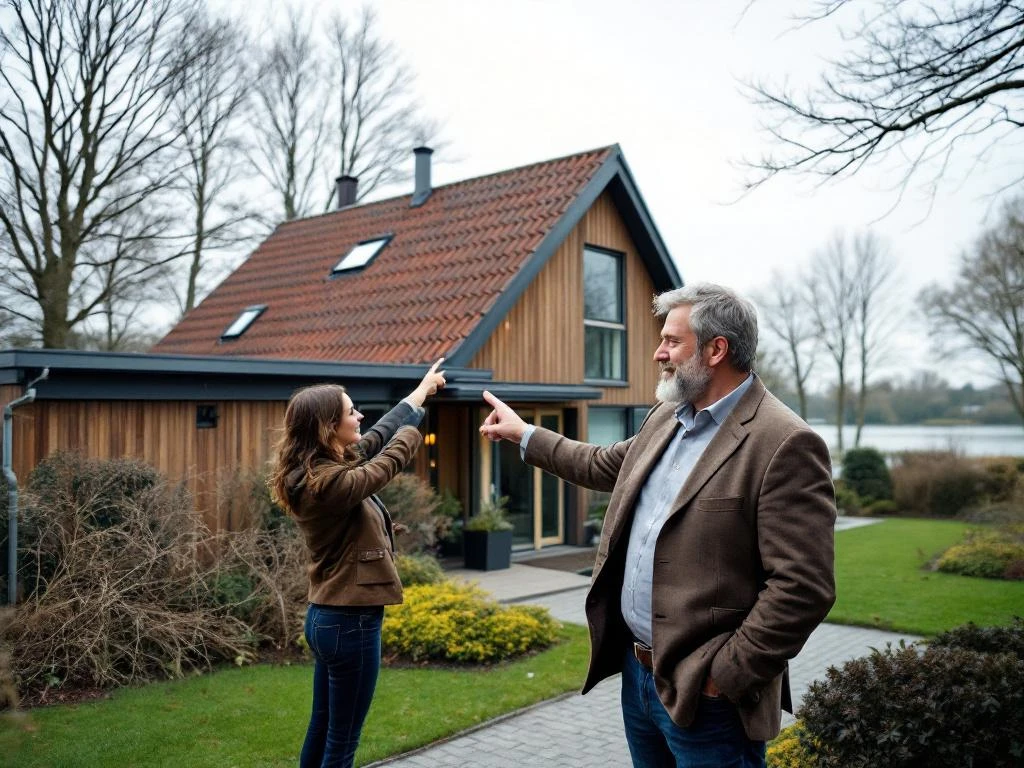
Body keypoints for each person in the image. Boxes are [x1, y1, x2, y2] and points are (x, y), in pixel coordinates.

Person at [480, 284, 836, 768]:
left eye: (671, 341)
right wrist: (525, 434)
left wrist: (723, 678)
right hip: (638, 675)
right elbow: (603, 463)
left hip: (709, 702)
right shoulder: (667, 416)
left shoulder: (784, 442)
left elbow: (803, 588)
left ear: (716, 349)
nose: (658, 352)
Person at [269, 359, 446, 768]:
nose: (360, 415)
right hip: (351, 623)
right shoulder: (328, 483)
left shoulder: (316, 470)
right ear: (327, 427)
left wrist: (420, 393)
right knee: (342, 741)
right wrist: (413, 434)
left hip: (328, 618)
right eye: (351, 412)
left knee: (324, 725)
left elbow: (378, 432)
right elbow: (382, 463)